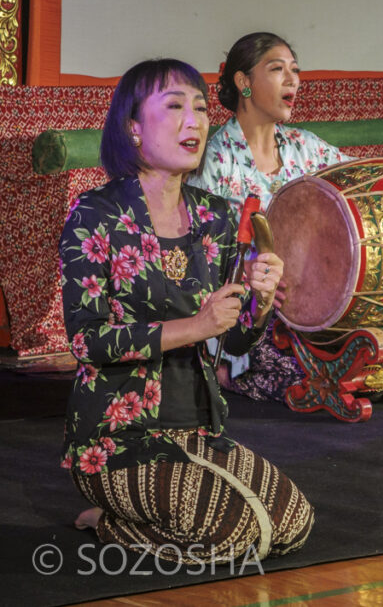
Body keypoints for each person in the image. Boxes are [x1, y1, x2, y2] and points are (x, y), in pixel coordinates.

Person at [60, 58, 313, 564]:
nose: (193, 121)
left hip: (197, 429)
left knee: (291, 525)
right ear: (133, 127)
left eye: (199, 108)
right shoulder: (96, 213)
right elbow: (87, 341)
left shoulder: (213, 215)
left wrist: (259, 305)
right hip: (117, 441)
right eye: (174, 107)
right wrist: (194, 326)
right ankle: (109, 522)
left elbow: (233, 341)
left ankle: (131, 518)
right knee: (237, 536)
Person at [189, 32, 357, 401]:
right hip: (248, 310)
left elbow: (362, 178)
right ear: (243, 82)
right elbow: (198, 257)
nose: (292, 79)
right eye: (277, 69)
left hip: (305, 305)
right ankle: (226, 367)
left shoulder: (304, 147)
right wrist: (252, 280)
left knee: (361, 361)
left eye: (295, 70)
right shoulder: (217, 160)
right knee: (300, 376)